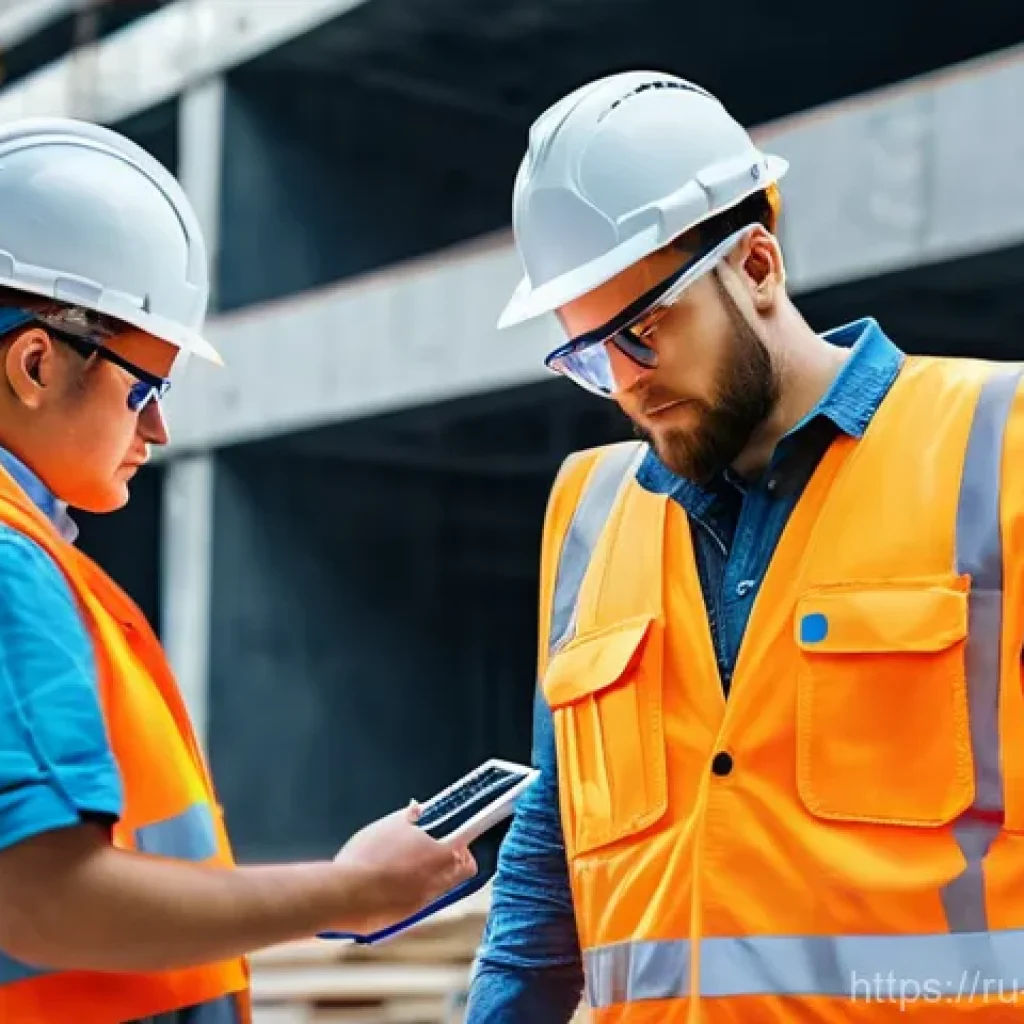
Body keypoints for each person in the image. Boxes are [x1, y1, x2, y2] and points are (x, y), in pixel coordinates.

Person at [465, 70, 1024, 1022]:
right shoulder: (588, 514)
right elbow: (546, 875)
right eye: (590, 356)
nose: (628, 382)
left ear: (757, 265)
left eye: (645, 328)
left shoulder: (999, 444)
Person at [0, 118, 475, 1024]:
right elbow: (41, 902)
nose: (158, 429)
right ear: (34, 363)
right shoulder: (9, 568)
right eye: (145, 388)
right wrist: (352, 892)